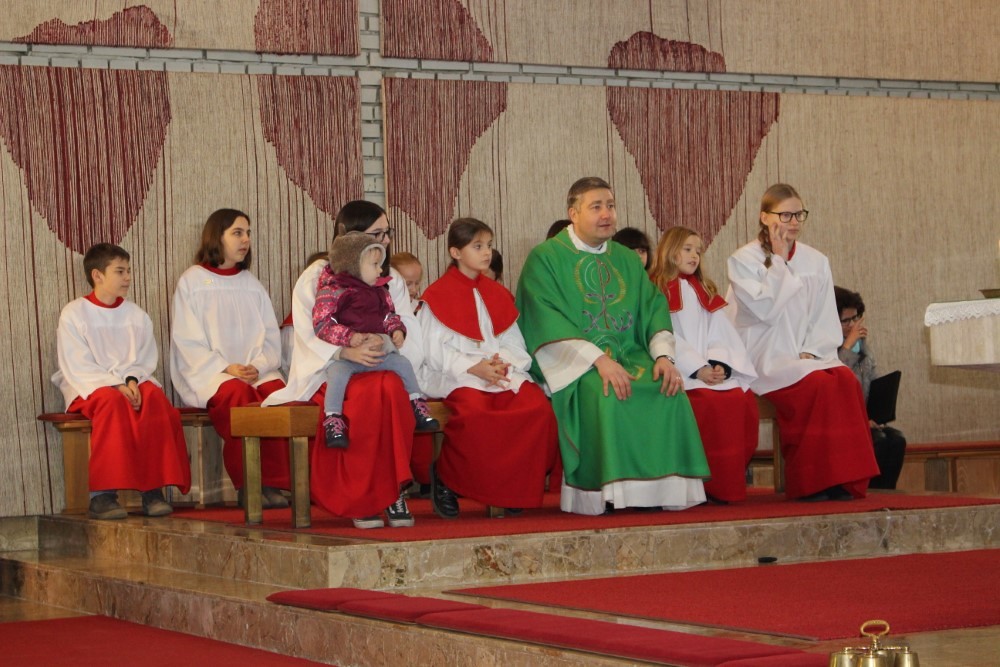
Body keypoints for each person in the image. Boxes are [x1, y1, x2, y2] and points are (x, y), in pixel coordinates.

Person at [516, 177, 709, 515]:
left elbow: (652, 309)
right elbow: (544, 317)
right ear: (573, 213)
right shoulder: (545, 258)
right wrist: (598, 360)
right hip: (578, 364)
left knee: (668, 387)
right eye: (596, 207)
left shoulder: (626, 259)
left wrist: (664, 357)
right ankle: (610, 493)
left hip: (630, 355)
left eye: (610, 206)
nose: (606, 214)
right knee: (607, 391)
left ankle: (660, 492)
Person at [262, 200, 420, 529]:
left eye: (387, 232)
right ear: (348, 236)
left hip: (382, 362)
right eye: (377, 234)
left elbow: (406, 326)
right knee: (368, 395)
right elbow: (309, 329)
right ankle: (361, 496)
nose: (386, 241)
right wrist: (343, 353)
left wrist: (391, 341)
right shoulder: (319, 275)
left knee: (391, 387)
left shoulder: (389, 278)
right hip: (333, 371)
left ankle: (392, 490)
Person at [725, 183, 879, 501]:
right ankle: (812, 482)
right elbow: (764, 310)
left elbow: (824, 316)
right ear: (765, 217)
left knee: (844, 380)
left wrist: (812, 351)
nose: (793, 221)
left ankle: (842, 479)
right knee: (817, 385)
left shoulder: (816, 260)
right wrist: (779, 261)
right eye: (785, 215)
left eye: (799, 214)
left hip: (806, 353)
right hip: (764, 353)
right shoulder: (744, 260)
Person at [419, 218, 559, 518]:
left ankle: (512, 486)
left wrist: (501, 364)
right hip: (461, 375)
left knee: (538, 410)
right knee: (474, 415)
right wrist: (474, 367)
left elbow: (514, 341)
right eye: (478, 246)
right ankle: (446, 478)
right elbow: (433, 350)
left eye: (489, 245)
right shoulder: (437, 295)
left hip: (501, 373)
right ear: (456, 252)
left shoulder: (497, 293)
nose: (487, 253)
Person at [53, 243, 190, 519]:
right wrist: (115, 385)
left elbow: (145, 358)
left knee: (155, 400)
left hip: (131, 380)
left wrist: (131, 380)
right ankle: (102, 496)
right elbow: (76, 362)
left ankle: (152, 491)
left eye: (128, 270)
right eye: (120, 271)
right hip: (89, 383)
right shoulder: (74, 313)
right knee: (112, 403)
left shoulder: (136, 315)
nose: (128, 277)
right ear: (97, 275)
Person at [170, 209, 289, 510]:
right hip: (212, 372)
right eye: (237, 233)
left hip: (255, 370)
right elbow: (187, 338)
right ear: (217, 237)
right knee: (238, 396)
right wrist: (226, 367)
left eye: (248, 233)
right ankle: (249, 482)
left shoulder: (251, 283)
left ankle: (277, 481)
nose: (246, 239)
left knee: (278, 396)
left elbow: (270, 336)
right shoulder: (193, 281)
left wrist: (258, 366)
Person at [648, 227, 759, 503]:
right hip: (681, 371)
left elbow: (719, 331)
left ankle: (727, 484)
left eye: (698, 251)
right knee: (710, 403)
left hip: (707, 371)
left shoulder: (704, 289)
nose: (694, 256)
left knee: (739, 397)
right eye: (687, 249)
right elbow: (664, 334)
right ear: (670, 251)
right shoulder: (656, 289)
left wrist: (719, 363)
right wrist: (697, 368)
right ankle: (703, 485)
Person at [314, 231, 439, 448]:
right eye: (374, 265)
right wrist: (349, 337)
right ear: (353, 265)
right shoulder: (332, 291)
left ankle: (416, 403)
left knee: (402, 363)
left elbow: (388, 315)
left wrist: (396, 330)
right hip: (348, 356)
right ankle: (333, 418)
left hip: (378, 353)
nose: (380, 270)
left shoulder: (380, 291)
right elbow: (322, 324)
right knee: (336, 375)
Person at [835, 286, 906, 489]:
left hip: (863, 417)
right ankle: (869, 494)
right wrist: (847, 348)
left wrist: (878, 413)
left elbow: (872, 382)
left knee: (896, 440)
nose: (852, 325)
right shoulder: (826, 348)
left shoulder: (863, 348)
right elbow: (836, 382)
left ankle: (886, 493)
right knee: (878, 441)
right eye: (845, 321)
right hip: (839, 421)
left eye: (855, 318)